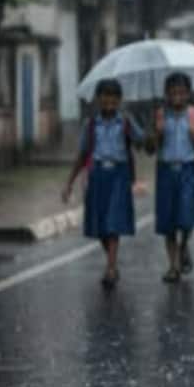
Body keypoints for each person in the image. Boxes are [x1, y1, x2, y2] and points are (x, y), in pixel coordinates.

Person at [61, 78, 151, 288]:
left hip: (119, 176)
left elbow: (143, 144)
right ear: (98, 99)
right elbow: (82, 155)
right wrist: (69, 183)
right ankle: (112, 261)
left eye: (113, 97)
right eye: (104, 96)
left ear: (119, 100)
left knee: (113, 221)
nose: (109, 101)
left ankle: (110, 268)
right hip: (97, 176)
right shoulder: (91, 125)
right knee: (100, 224)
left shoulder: (126, 122)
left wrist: (151, 133)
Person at [153, 72, 194, 283]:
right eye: (173, 93)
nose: (177, 97)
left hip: (189, 170)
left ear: (188, 93)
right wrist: (157, 133)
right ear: (166, 94)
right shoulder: (160, 115)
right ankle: (173, 265)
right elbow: (150, 148)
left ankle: (184, 244)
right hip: (166, 170)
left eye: (182, 92)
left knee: (187, 217)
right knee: (168, 220)